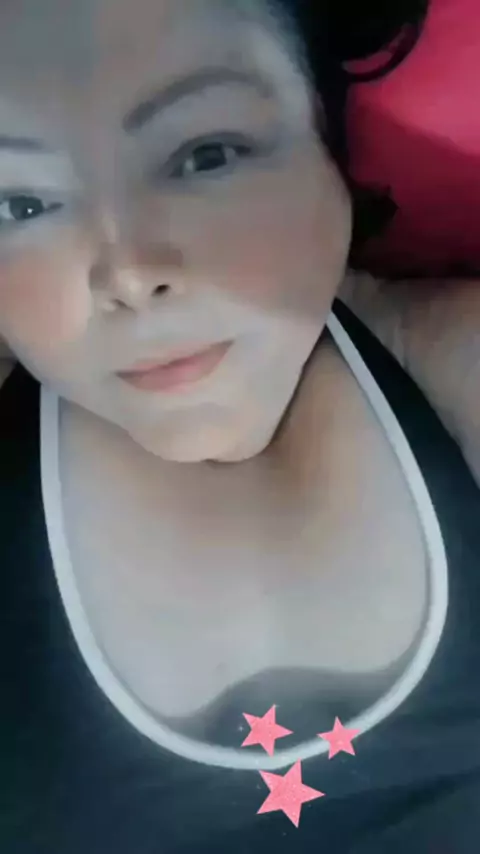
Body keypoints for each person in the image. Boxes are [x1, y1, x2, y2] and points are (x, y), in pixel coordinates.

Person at [0, 1, 479, 851]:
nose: (129, 272)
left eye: (205, 155)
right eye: (22, 205)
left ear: (328, 147)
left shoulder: (450, 360)